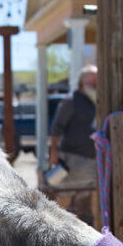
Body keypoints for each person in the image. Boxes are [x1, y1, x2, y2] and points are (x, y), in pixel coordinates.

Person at [48, 64, 98, 220]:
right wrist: (53, 152)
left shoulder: (96, 100)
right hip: (73, 157)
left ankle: (100, 234)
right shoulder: (71, 100)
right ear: (83, 80)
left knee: (97, 195)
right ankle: (53, 228)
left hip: (94, 158)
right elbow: (56, 128)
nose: (96, 81)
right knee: (64, 196)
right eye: (93, 77)